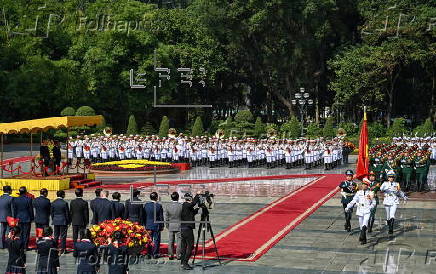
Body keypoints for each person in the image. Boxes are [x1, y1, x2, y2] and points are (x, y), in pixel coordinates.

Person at [345, 179, 376, 244]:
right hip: (360, 210)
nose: (364, 186)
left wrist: (371, 207)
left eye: (366, 185)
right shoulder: (358, 192)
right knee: (361, 225)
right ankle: (364, 239)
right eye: (363, 184)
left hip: (367, 210)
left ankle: (362, 236)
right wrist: (348, 206)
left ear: (368, 186)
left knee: (365, 223)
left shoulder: (371, 193)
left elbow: (374, 202)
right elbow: (354, 201)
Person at [380, 170, 408, 235]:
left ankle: (391, 228)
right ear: (388, 177)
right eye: (389, 177)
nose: (391, 178)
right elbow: (381, 189)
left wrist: (404, 196)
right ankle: (389, 224)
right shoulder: (385, 183)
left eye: (392, 177)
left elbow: (399, 191)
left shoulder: (397, 184)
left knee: (392, 215)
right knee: (388, 216)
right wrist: (385, 189)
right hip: (387, 200)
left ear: (394, 177)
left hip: (394, 201)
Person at [180, 192, 200, 270]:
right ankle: (185, 262)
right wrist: (197, 195)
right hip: (187, 229)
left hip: (184, 229)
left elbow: (191, 213)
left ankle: (183, 262)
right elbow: (193, 204)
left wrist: (198, 208)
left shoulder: (186, 206)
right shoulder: (186, 205)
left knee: (184, 246)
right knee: (190, 246)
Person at [144, 192, 164, 259]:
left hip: (148, 224)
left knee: (149, 239)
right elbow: (161, 217)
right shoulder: (158, 206)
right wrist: (162, 225)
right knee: (156, 240)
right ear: (156, 197)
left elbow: (144, 216)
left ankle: (149, 253)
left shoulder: (146, 205)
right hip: (156, 225)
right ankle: (155, 253)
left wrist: (145, 224)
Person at [164, 192, 183, 260]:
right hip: (179, 225)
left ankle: (170, 255)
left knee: (170, 241)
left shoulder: (168, 206)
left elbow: (166, 217)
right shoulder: (181, 206)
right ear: (178, 197)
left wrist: (167, 225)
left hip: (171, 225)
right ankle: (178, 255)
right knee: (179, 241)